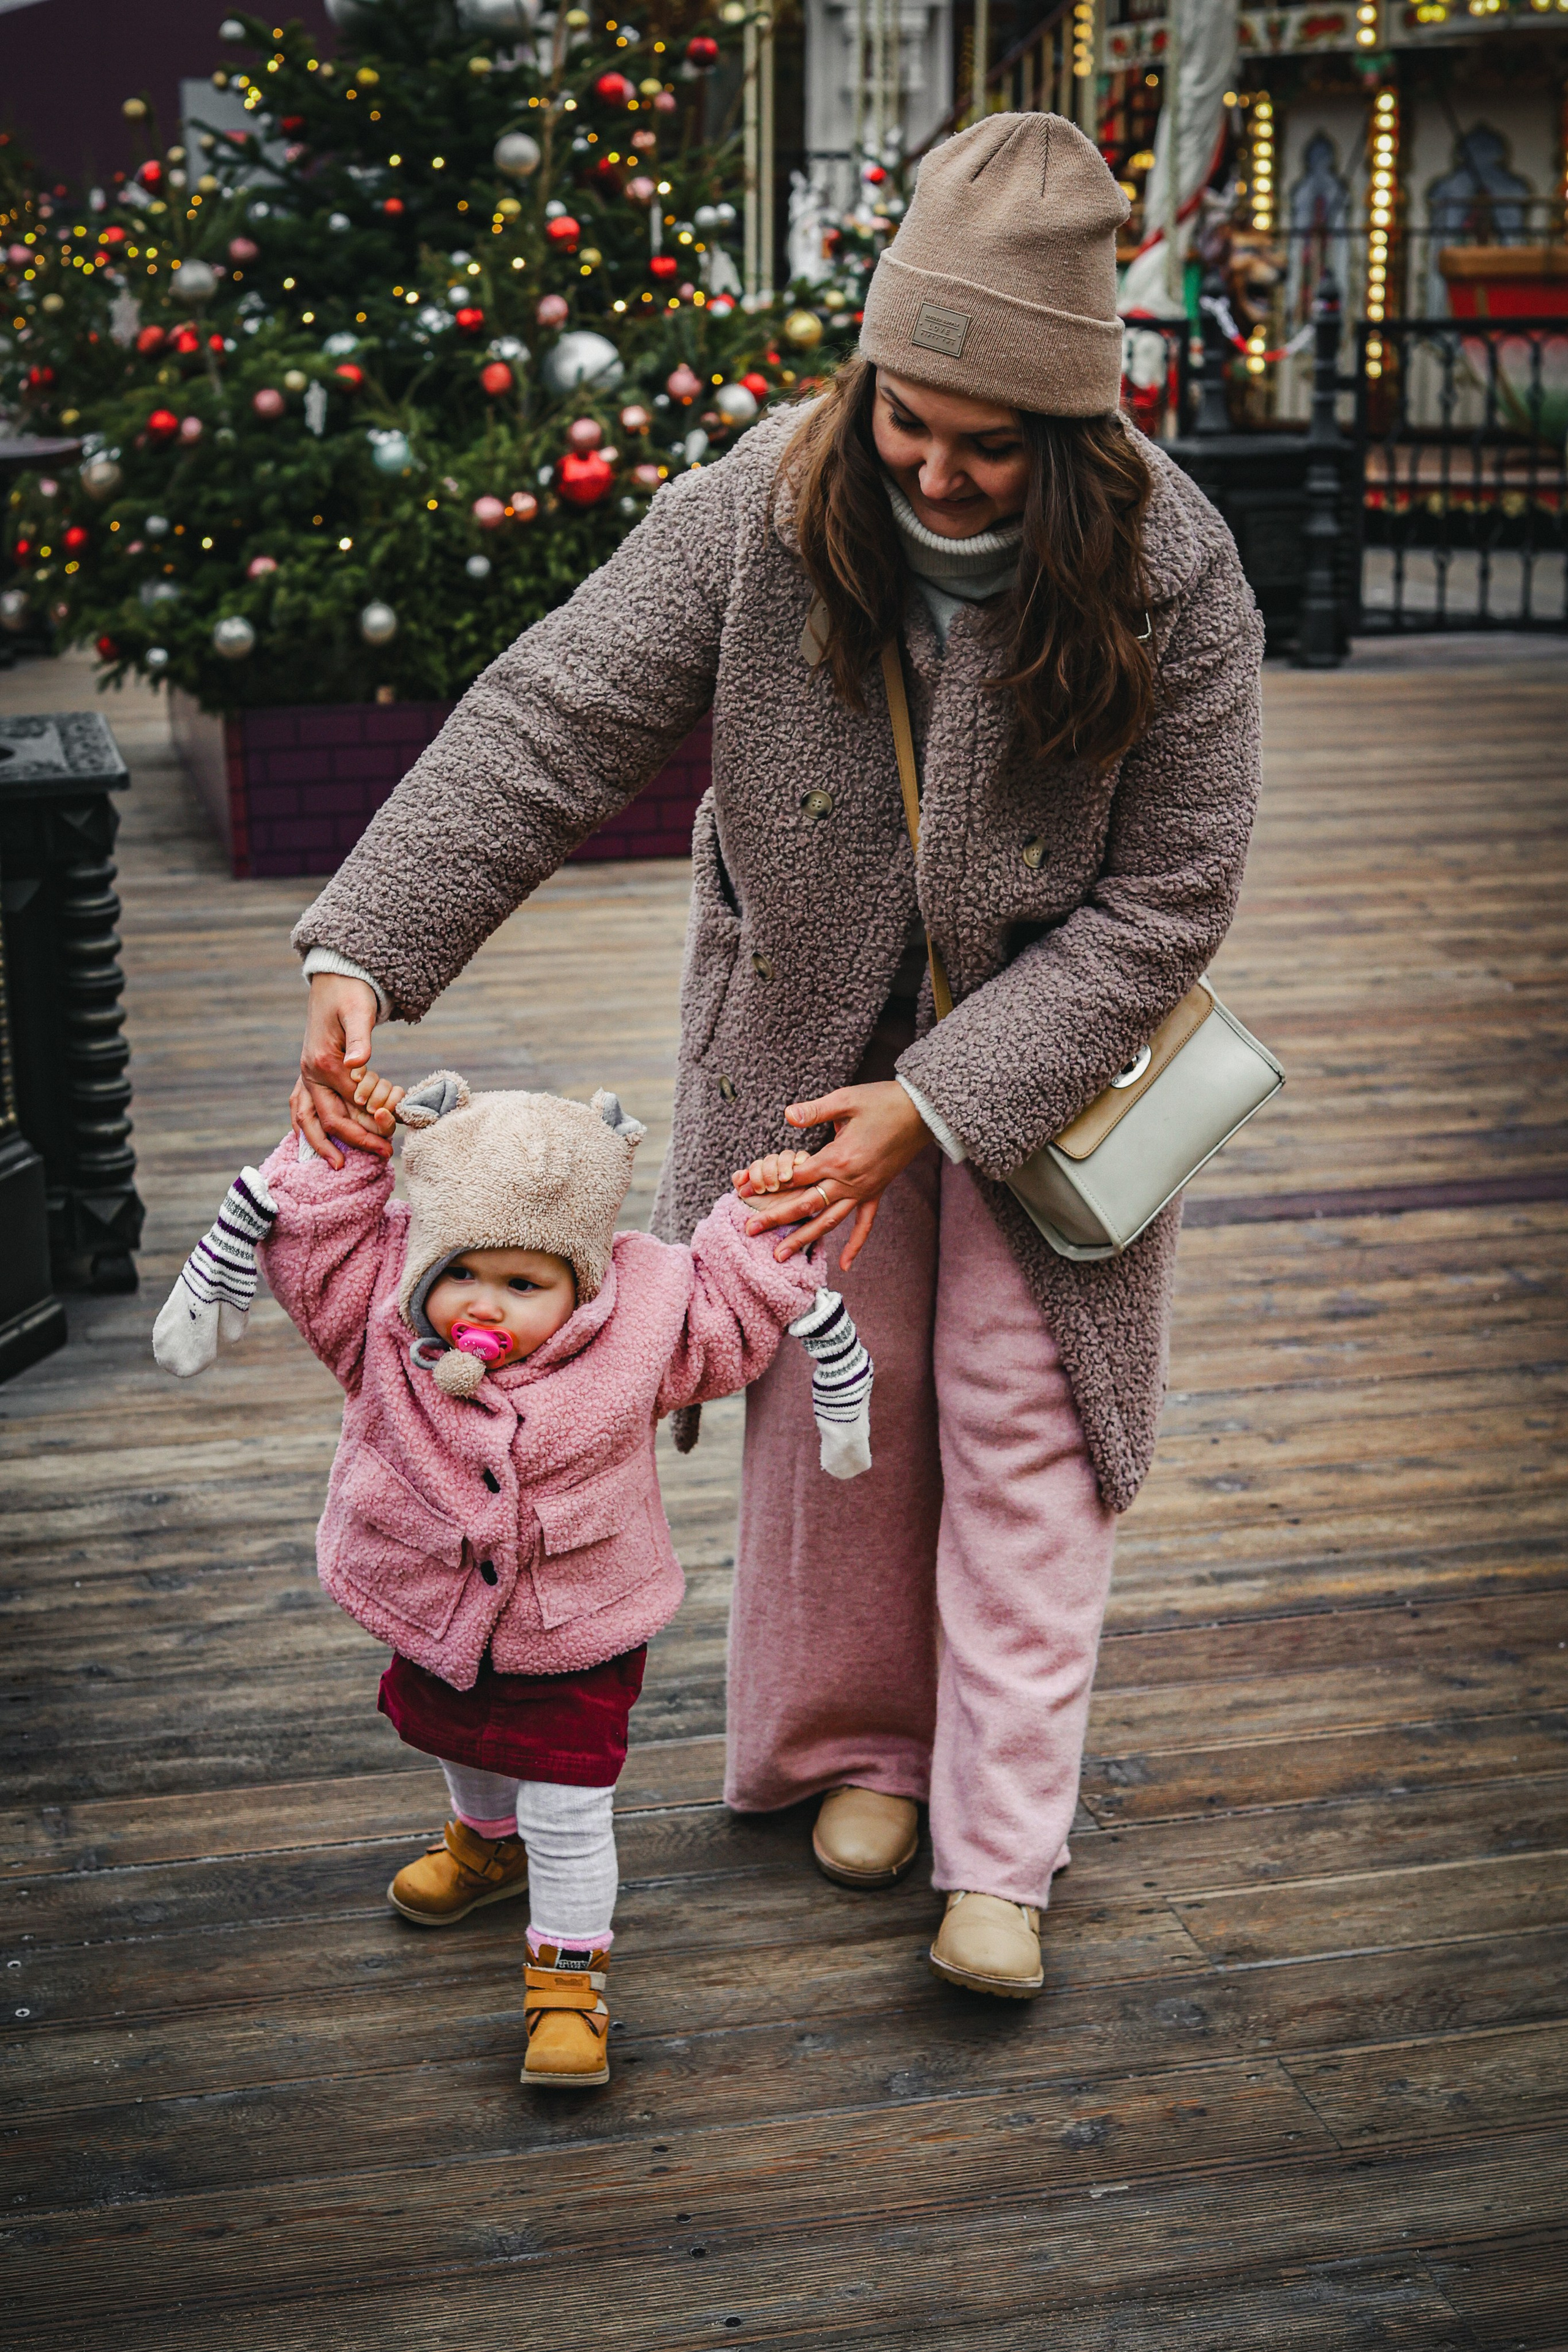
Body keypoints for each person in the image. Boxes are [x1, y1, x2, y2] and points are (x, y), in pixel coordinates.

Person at [290, 112, 1264, 2000]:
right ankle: (855, 1751)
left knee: (1026, 1429)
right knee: (835, 1417)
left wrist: (944, 1097)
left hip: (1053, 1072)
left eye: (995, 449)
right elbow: (556, 711)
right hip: (800, 1052)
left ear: (1080, 436)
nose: (941, 471)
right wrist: (368, 942)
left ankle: (1004, 1845)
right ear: (874, 366)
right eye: (914, 418)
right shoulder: (770, 497)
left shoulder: (1177, 567)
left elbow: (1172, 900)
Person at [153, 1068, 870, 2084]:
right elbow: (316, 1247)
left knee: (569, 1805)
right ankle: (487, 1843)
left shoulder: (641, 1334)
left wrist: (765, 1211)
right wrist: (350, 1149)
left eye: (525, 1285)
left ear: (583, 1284)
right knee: (462, 1735)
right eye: (464, 1274)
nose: (483, 1304)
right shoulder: (382, 1317)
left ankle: (569, 1982)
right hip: (436, 1601)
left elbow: (726, 1310)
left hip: (576, 1619)